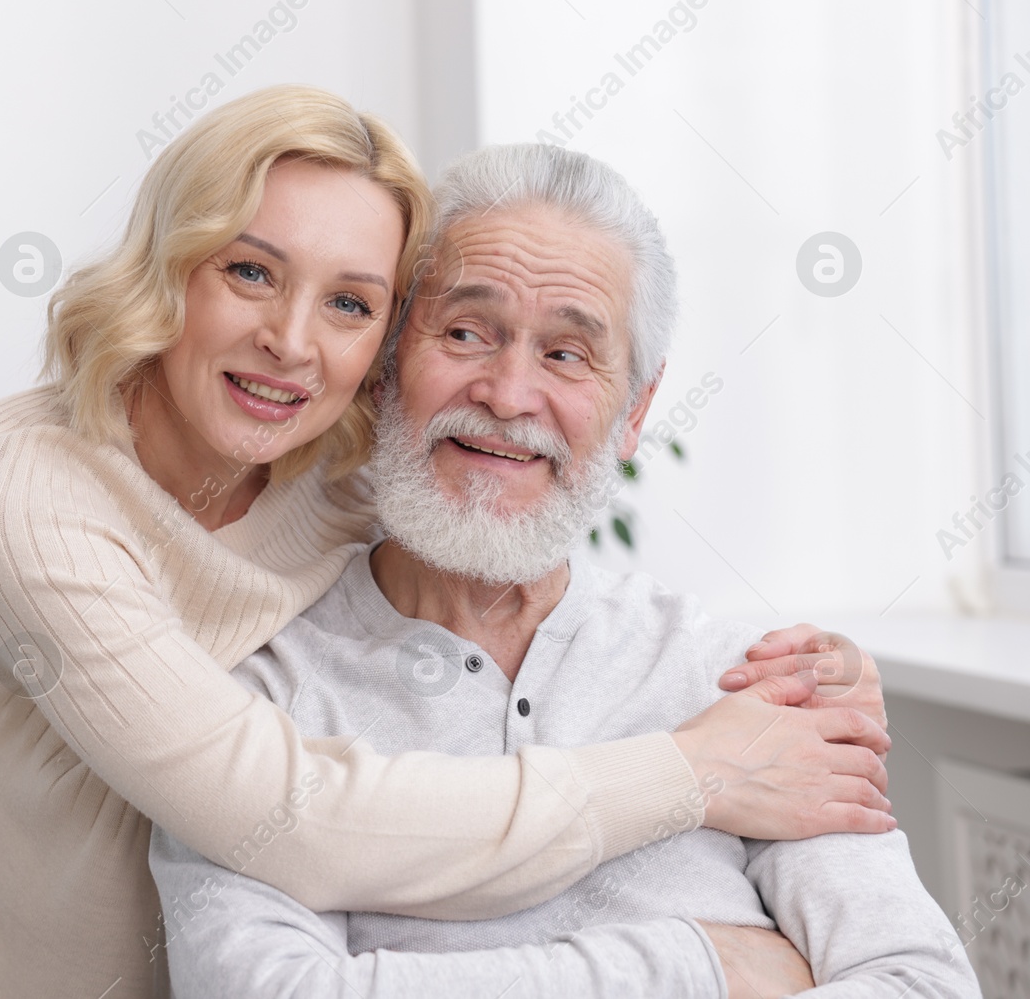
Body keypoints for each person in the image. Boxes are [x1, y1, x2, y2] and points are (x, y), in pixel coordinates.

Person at [0, 87, 894, 999]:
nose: (291, 341)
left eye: (351, 302)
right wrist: (695, 788)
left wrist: (820, 677)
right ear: (168, 268)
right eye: (250, 270)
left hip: (155, 926)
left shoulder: (345, 455)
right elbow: (278, 816)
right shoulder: (23, 493)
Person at [149, 142, 976, 999]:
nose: (507, 394)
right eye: (467, 332)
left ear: (634, 411)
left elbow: (923, 984)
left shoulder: (745, 683)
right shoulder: (259, 690)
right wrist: (706, 967)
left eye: (567, 354)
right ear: (387, 366)